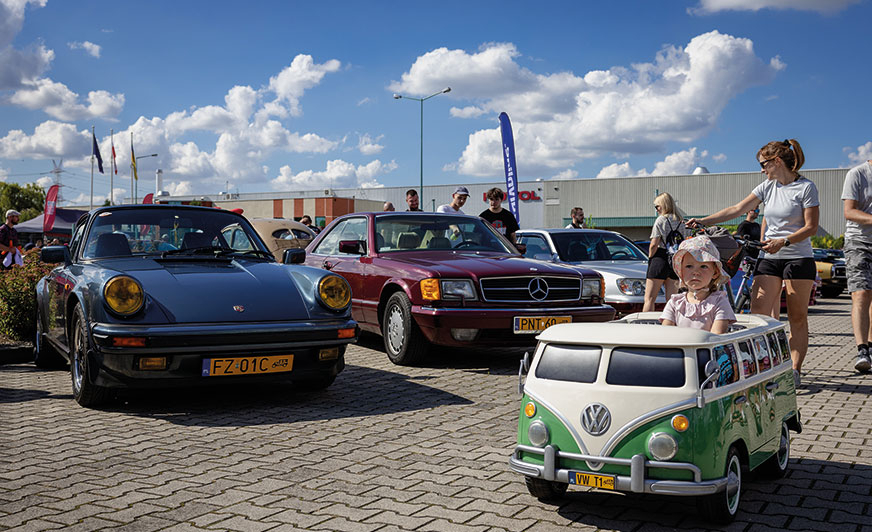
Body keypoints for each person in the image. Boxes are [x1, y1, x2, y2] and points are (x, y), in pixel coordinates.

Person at [687, 139, 818, 388]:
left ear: (776, 161)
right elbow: (737, 208)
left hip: (798, 258)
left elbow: (810, 227)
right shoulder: (768, 187)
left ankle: (794, 370)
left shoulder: (806, 188)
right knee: (757, 316)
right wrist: (702, 221)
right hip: (769, 257)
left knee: (797, 317)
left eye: (763, 164)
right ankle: (761, 365)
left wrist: (784, 241)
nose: (761, 169)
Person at [660, 235, 736, 334]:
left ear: (715, 273)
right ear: (681, 272)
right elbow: (665, 335)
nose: (695, 272)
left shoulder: (719, 302)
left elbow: (716, 338)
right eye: (689, 266)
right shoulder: (675, 302)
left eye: (703, 266)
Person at [841, 158, 872, 373]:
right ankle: (862, 350)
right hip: (858, 241)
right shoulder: (857, 174)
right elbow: (849, 212)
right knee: (861, 294)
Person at [643, 193, 688, 312]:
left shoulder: (661, 220)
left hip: (660, 258)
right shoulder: (681, 221)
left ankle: (644, 325)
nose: (657, 209)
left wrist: (650, 257)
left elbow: (654, 244)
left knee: (649, 299)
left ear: (664, 205)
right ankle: (671, 324)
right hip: (675, 260)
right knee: (671, 300)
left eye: (657, 206)